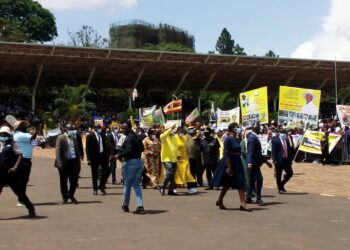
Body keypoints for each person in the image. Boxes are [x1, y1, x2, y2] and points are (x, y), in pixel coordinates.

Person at [211, 123, 251, 212]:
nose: (238, 129)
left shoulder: (237, 139)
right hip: (229, 162)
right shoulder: (228, 139)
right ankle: (220, 200)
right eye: (237, 127)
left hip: (237, 162)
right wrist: (229, 167)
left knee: (240, 182)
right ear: (232, 129)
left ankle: (243, 203)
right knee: (227, 184)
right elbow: (226, 154)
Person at [0, 126, 36, 218]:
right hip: (0, 173)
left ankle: (31, 208)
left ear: (9, 134)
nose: (3, 135)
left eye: (5, 134)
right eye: (1, 134)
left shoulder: (13, 143)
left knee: (20, 193)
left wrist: (15, 167)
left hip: (10, 173)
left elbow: (20, 155)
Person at [116, 122, 145, 214]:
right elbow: (142, 148)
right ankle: (140, 206)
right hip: (138, 162)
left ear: (129, 128)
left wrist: (118, 155)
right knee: (136, 185)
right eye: (122, 128)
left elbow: (128, 150)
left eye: (124, 128)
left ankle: (125, 205)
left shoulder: (128, 138)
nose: (123, 130)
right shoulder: (137, 137)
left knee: (127, 185)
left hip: (130, 163)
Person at [12, 120, 37, 207]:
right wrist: (35, 130)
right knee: (23, 180)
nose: (25, 126)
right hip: (24, 160)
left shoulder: (16, 134)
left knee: (22, 180)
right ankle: (21, 199)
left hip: (23, 160)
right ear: (19, 127)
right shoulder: (21, 134)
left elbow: (34, 144)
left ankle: (21, 198)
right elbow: (33, 137)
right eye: (23, 125)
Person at [54, 123, 81, 203]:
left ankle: (71, 194)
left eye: (73, 130)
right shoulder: (61, 138)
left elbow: (77, 151)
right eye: (71, 130)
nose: (73, 131)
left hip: (73, 162)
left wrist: (78, 163)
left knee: (74, 181)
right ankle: (65, 197)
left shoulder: (74, 138)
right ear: (66, 130)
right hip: (63, 162)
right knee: (63, 181)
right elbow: (57, 151)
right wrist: (59, 163)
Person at [245, 126, 268, 206]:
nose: (261, 130)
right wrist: (249, 163)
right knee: (259, 179)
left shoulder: (254, 137)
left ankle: (248, 197)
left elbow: (257, 152)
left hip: (255, 162)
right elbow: (250, 152)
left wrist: (266, 162)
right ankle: (258, 198)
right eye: (259, 129)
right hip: (253, 163)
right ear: (256, 129)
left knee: (251, 180)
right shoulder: (252, 138)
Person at [85, 124, 110, 195]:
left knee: (107, 171)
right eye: (98, 128)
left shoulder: (103, 136)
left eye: (100, 128)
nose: (99, 129)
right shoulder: (90, 136)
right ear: (94, 129)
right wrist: (88, 159)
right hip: (94, 157)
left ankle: (101, 186)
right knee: (95, 174)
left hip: (102, 156)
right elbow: (88, 148)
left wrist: (108, 156)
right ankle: (95, 189)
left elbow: (106, 146)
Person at [174, 127, 198, 194]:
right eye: (180, 132)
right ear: (177, 132)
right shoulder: (174, 138)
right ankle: (173, 187)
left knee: (187, 173)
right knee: (177, 174)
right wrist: (176, 155)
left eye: (183, 132)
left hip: (185, 158)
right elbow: (173, 148)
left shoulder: (185, 138)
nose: (182, 134)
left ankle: (190, 188)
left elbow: (188, 145)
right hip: (178, 159)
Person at [159, 122, 178, 195]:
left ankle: (171, 190)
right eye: (171, 128)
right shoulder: (163, 136)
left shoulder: (174, 136)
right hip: (166, 158)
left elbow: (175, 147)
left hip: (174, 158)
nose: (173, 130)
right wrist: (170, 129)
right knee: (169, 173)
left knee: (173, 175)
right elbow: (163, 136)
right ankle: (162, 185)